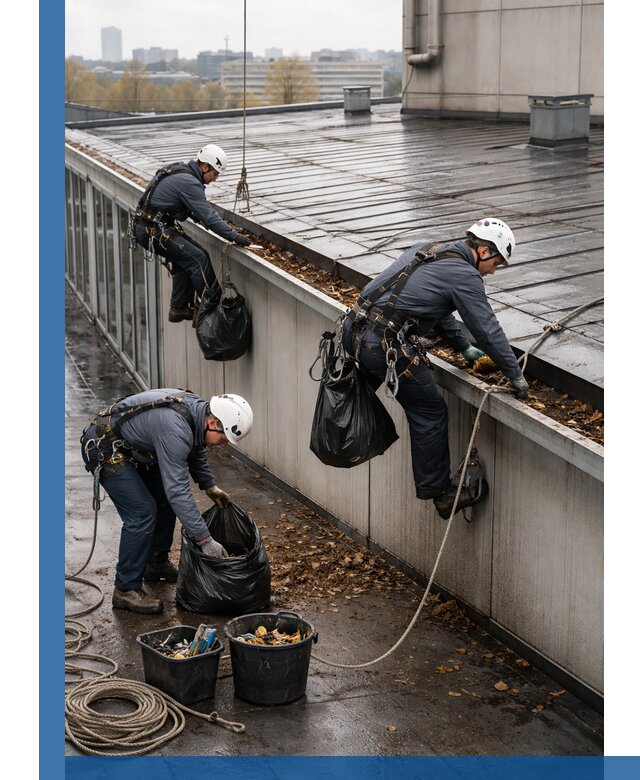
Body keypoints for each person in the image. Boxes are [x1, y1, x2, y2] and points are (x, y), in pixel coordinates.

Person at [342, 217, 529, 519]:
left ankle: (347, 436)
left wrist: (462, 347)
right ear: (483, 251)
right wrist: (515, 375)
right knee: (430, 410)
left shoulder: (431, 249)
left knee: (362, 393)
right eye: (497, 262)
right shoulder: (465, 275)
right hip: (383, 346)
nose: (494, 270)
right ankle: (441, 495)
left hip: (355, 333)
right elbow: (487, 329)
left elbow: (437, 308)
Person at [80, 389, 254, 614]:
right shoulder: (175, 429)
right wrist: (205, 540)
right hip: (105, 448)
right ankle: (125, 588)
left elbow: (195, 448)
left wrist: (209, 486)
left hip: (134, 448)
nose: (222, 444)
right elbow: (179, 491)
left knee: (163, 499)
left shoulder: (197, 413)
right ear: (213, 421)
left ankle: (156, 563)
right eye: (223, 437)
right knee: (142, 513)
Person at [132, 144, 260, 323]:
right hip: (153, 229)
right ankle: (214, 305)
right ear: (205, 166)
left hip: (151, 226)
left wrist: (196, 215)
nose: (215, 179)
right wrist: (235, 237)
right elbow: (210, 217)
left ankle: (179, 308)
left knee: (187, 258)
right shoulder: (190, 182)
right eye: (215, 173)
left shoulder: (178, 169)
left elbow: (175, 205)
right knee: (199, 258)